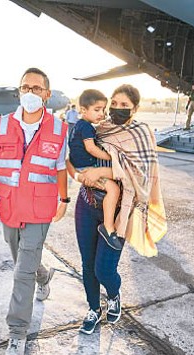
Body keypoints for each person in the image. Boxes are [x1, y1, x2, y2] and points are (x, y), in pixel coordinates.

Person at [0, 67, 68, 355]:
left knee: (20, 273)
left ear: (47, 95)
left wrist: (64, 199)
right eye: (25, 87)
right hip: (10, 207)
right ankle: (44, 275)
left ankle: (17, 333)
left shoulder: (59, 128)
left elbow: (61, 168)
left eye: (37, 88)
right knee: (20, 260)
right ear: (19, 91)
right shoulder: (1, 126)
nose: (30, 93)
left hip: (40, 209)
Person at [71, 84, 166, 335]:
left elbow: (140, 173)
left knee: (104, 269)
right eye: (114, 102)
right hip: (88, 202)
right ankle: (93, 309)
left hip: (118, 210)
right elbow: (75, 157)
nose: (117, 108)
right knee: (88, 264)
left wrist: (103, 171)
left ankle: (113, 295)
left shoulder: (140, 133)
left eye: (124, 105)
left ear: (135, 108)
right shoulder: (98, 127)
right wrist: (82, 178)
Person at [68, 89, 122, 251]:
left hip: (80, 165)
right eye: (97, 110)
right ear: (83, 110)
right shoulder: (87, 128)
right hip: (86, 168)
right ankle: (108, 227)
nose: (101, 114)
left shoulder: (79, 125)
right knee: (113, 189)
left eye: (103, 110)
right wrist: (111, 157)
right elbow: (91, 149)